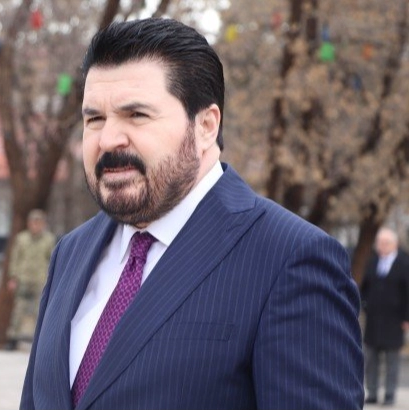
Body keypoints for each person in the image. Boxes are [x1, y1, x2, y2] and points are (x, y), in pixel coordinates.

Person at [20, 18, 364, 410]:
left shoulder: (291, 259)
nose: (108, 139)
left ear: (205, 126)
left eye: (137, 115)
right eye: (94, 119)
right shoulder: (70, 252)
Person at [360, 227, 409, 405]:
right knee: (371, 358)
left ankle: (389, 394)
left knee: (392, 359)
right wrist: (364, 305)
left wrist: (406, 318)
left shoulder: (404, 263)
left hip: (395, 319)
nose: (382, 246)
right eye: (379, 242)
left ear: (394, 244)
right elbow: (364, 286)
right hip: (374, 319)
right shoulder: (373, 261)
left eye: (386, 243)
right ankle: (372, 392)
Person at [6, 209, 55, 350]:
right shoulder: (21, 239)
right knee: (18, 311)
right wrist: (13, 277)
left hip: (40, 280)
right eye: (34, 222)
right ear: (29, 223)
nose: (36, 225)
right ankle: (12, 339)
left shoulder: (48, 240)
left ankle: (39, 341)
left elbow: (52, 260)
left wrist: (51, 279)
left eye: (39, 223)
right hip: (23, 279)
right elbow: (15, 259)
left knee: (39, 312)